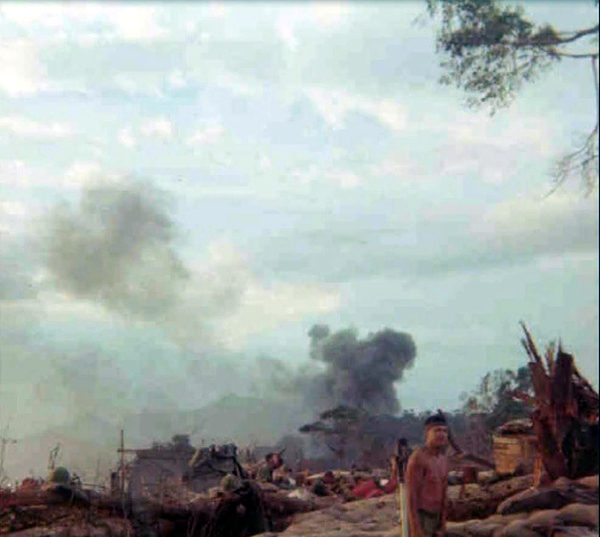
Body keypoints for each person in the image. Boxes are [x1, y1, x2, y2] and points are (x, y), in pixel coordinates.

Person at [406, 414, 449, 537]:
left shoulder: (443, 460)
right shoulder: (418, 458)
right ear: (427, 433)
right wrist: (415, 529)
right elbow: (411, 497)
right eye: (437, 430)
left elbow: (444, 493)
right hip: (422, 517)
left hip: (437, 517)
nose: (442, 434)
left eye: (445, 431)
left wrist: (442, 523)